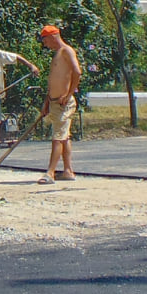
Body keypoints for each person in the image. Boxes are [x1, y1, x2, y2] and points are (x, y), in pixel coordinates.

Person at [37, 25, 82, 183]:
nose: (45, 44)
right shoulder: (57, 54)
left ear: (53, 36)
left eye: (45, 40)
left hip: (65, 103)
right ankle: (68, 171)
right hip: (54, 102)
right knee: (64, 137)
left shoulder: (67, 51)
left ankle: (50, 173)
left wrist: (68, 94)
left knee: (57, 137)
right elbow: (53, 81)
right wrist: (46, 103)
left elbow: (77, 72)